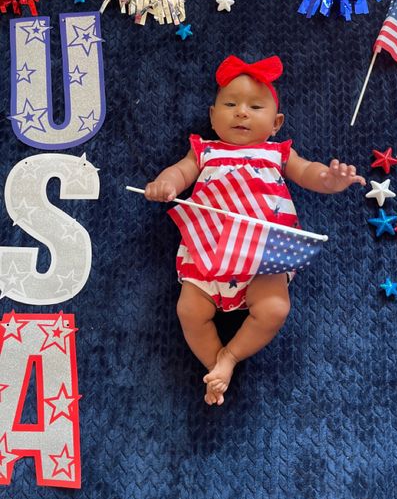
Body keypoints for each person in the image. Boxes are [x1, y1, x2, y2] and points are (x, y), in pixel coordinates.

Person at [144, 55, 366, 406]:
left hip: (264, 249)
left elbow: (308, 172)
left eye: (254, 106)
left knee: (275, 308)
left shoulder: (276, 153)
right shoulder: (205, 151)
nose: (241, 112)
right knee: (189, 310)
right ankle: (215, 365)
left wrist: (329, 179)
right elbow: (180, 172)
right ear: (213, 117)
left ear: (276, 123)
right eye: (230, 104)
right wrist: (164, 183)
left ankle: (231, 356)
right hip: (211, 248)